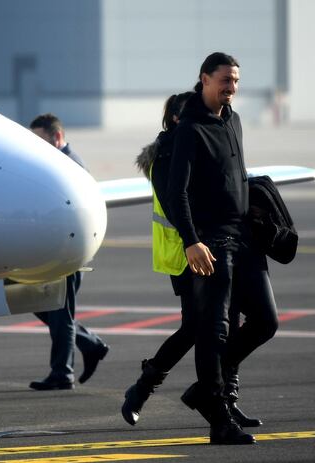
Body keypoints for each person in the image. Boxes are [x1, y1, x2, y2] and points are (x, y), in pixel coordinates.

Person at [121, 93, 261, 429]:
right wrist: (200, 239)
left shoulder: (203, 143)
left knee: (228, 324)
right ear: (174, 120)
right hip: (186, 255)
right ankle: (142, 388)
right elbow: (175, 206)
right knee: (194, 329)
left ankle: (226, 399)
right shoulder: (166, 156)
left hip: (216, 248)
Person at [167, 53, 279, 445]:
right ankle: (219, 421)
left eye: (235, 81)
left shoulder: (233, 120)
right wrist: (191, 241)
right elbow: (175, 193)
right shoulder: (190, 128)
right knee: (213, 332)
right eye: (225, 81)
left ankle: (205, 390)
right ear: (204, 80)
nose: (231, 88)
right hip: (211, 244)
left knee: (266, 321)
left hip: (244, 239)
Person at [27, 113, 110, 390]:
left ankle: (62, 372)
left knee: (59, 312)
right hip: (56, 253)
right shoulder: (57, 162)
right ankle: (90, 344)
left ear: (57, 137)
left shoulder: (69, 166)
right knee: (39, 303)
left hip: (68, 254)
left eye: (39, 141)